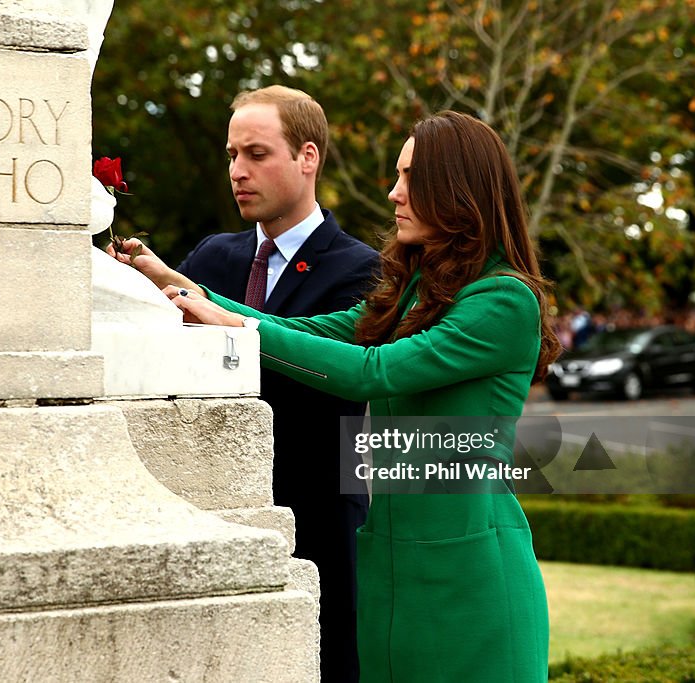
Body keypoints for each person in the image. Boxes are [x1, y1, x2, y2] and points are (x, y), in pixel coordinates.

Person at [116, 110, 559, 682]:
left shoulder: (503, 301)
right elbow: (312, 331)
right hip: (393, 567)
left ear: (456, 189)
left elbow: (369, 372)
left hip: (472, 578)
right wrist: (182, 289)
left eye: (409, 177)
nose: (394, 193)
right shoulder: (421, 288)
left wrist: (234, 328)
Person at [109, 85, 378, 682]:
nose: (238, 171)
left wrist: (209, 308)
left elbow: (326, 376)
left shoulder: (360, 268)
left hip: (318, 520)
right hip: (206, 512)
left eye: (256, 154)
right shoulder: (209, 257)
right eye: (232, 155)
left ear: (308, 157)